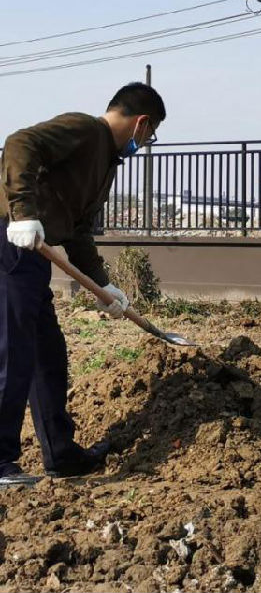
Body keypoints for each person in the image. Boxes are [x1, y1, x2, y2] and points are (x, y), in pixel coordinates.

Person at [0, 82, 166, 486]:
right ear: (142, 123)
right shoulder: (86, 130)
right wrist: (22, 212)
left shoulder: (105, 163)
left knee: (48, 354)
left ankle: (61, 454)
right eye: (152, 134)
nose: (147, 142)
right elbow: (19, 143)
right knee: (14, 351)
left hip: (34, 253)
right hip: (11, 240)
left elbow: (78, 232)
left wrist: (104, 286)